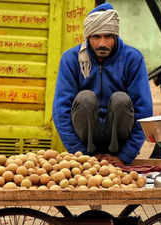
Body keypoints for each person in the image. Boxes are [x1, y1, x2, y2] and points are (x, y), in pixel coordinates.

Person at [52, 3, 152, 165]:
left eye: (108, 36)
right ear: (87, 37)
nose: (102, 43)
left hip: (118, 141)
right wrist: (81, 155)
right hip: (86, 141)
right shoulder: (71, 59)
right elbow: (60, 110)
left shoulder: (132, 58)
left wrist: (124, 156)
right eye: (96, 37)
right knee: (85, 99)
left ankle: (116, 154)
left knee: (121, 99)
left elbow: (144, 111)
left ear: (116, 36)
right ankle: (88, 152)